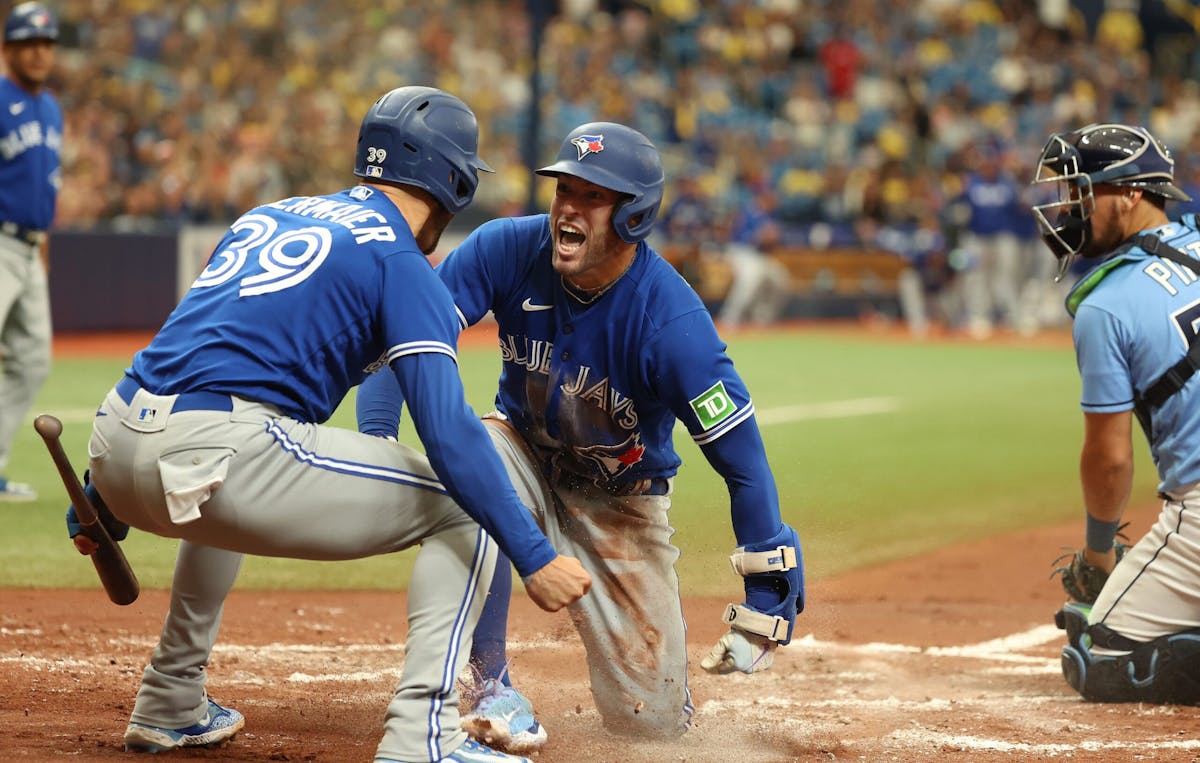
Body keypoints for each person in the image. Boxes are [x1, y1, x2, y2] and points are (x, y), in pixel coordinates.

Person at [67, 86, 591, 763]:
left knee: (221, 478)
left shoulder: (271, 216)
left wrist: (99, 494)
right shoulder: (401, 260)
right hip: (221, 448)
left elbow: (186, 349)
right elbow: (451, 433)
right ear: (454, 179)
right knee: (472, 503)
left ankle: (170, 699)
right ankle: (421, 736)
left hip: (115, 438)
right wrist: (534, 554)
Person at [356, 122, 804, 752]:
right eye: (564, 188)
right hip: (522, 453)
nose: (568, 206)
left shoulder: (673, 325)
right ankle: (487, 686)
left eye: (593, 196)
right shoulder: (506, 249)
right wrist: (377, 437)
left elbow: (744, 463)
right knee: (469, 454)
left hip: (621, 501)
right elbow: (404, 342)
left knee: (648, 723)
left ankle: (661, 695)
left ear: (634, 216)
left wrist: (766, 584)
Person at [1031, 122, 1200, 704]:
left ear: (1131, 192)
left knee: (1100, 652)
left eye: (1082, 192)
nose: (1069, 208)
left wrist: (1100, 550)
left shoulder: (1105, 304)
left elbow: (1109, 461)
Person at [0, 2, 60, 501]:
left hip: (30, 247)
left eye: (46, 43)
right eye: (28, 43)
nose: (39, 52)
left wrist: (42, 247)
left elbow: (44, 186)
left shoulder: (51, 107)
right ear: (8, 49)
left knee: (32, 360)